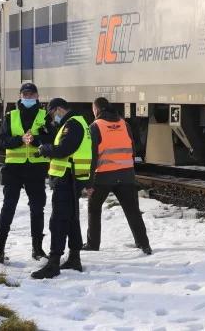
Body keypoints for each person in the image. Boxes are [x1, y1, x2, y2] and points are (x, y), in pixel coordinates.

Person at [31, 97, 92, 279]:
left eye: (52, 113)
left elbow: (64, 149)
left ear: (58, 109)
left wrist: (45, 149)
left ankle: (54, 262)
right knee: (72, 218)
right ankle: (74, 257)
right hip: (73, 177)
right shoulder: (78, 122)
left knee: (58, 220)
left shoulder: (72, 125)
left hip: (67, 178)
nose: (52, 118)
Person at [84, 97, 151, 255]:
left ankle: (93, 244)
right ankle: (144, 244)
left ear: (96, 110)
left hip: (103, 177)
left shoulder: (95, 126)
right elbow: (133, 150)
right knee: (133, 210)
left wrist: (89, 182)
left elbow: (92, 156)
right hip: (126, 175)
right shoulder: (124, 124)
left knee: (94, 208)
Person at [0, 82, 51, 263]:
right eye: (24, 95)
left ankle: (37, 249)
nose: (27, 98)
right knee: (8, 207)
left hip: (36, 169)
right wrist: (19, 140)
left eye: (31, 95)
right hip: (14, 169)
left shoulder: (45, 116)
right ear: (20, 96)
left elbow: (52, 138)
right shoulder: (11, 116)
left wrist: (35, 140)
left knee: (37, 209)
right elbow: (1, 141)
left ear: (37, 96)